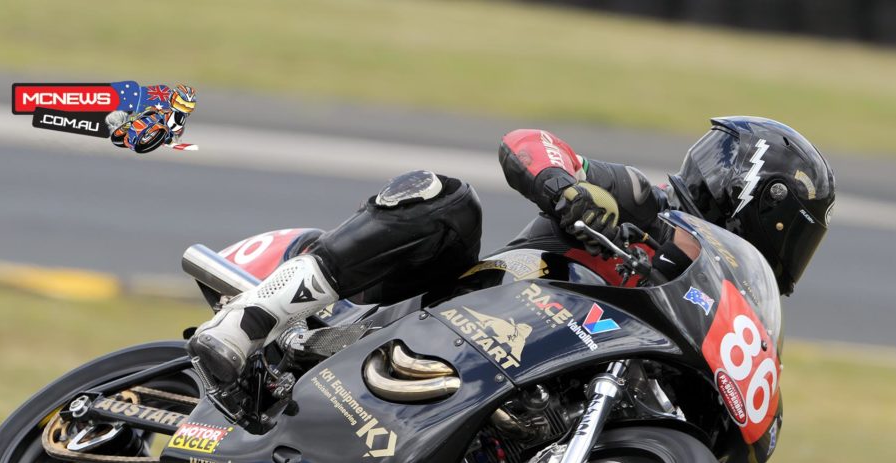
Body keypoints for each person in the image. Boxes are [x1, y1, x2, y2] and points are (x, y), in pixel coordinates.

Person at [188, 116, 835, 384]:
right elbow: (530, 142)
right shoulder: (649, 203)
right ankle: (256, 319)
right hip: (433, 314)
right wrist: (566, 189)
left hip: (518, 379)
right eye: (800, 227)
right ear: (763, 206)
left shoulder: (729, 306)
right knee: (445, 198)